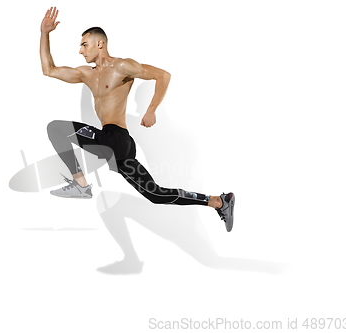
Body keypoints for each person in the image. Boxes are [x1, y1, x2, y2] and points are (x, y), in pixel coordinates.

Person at [40, 7, 234, 231]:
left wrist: (151, 109)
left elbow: (163, 75)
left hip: (116, 139)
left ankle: (81, 184)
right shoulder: (87, 74)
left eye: (84, 45)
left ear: (99, 44)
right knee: (155, 194)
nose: (80, 51)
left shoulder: (121, 66)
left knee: (56, 129)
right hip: (116, 147)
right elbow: (49, 70)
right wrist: (45, 34)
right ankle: (218, 201)